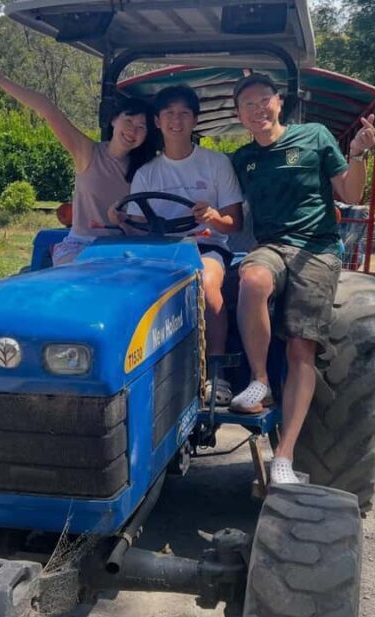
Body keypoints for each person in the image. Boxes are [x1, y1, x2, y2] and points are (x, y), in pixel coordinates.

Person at [229, 73, 375, 484]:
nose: (258, 110)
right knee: (252, 279)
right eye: (248, 105)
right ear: (239, 115)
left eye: (264, 101)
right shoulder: (242, 159)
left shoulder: (313, 136)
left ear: (279, 102)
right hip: (271, 246)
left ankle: (285, 454)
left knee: (301, 349)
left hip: (316, 248)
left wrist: (357, 154)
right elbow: (227, 208)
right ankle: (259, 380)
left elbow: (350, 194)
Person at [0, 41, 155, 265]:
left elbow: (143, 225)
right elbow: (47, 108)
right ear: (115, 120)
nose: (132, 130)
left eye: (141, 127)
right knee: (81, 273)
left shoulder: (146, 169)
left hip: (121, 251)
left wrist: (124, 222)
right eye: (129, 121)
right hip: (82, 246)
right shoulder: (87, 152)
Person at [116, 85, 243, 404]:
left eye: (184, 113)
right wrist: (119, 220)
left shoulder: (216, 164)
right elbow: (137, 225)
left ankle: (216, 370)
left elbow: (233, 223)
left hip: (205, 245)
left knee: (206, 282)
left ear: (194, 120)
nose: (176, 120)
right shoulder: (146, 173)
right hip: (158, 250)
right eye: (169, 113)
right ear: (157, 121)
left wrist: (212, 217)